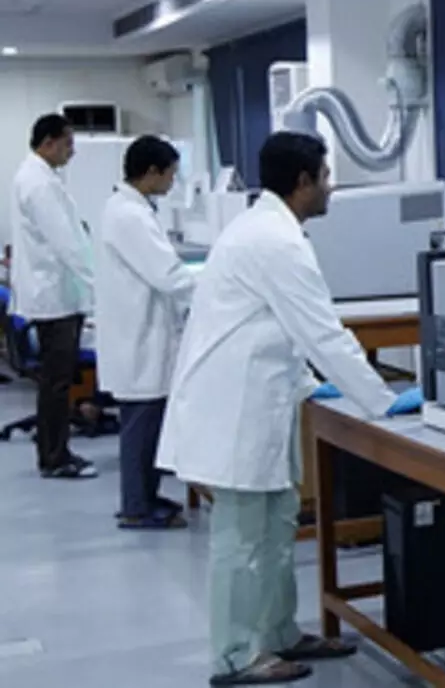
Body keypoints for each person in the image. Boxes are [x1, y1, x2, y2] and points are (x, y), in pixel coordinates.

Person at [156, 131, 397, 686]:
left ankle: (279, 632)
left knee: (276, 525)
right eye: (326, 176)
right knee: (242, 539)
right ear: (304, 181)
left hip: (264, 402)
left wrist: (312, 385)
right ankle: (235, 657)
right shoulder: (275, 241)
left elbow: (274, 328)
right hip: (235, 411)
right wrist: (384, 404)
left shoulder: (266, 230)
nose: (331, 187)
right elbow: (323, 333)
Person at [97, 135, 196, 529]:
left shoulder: (128, 208)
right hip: (138, 338)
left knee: (147, 426)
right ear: (152, 172)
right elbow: (168, 275)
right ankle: (136, 508)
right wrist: (217, 289)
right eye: (171, 174)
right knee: (141, 427)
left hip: (138, 333)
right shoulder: (130, 216)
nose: (173, 181)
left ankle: (145, 497)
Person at [9, 113, 96, 479]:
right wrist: (98, 283)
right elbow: (67, 243)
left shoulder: (37, 176)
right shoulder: (39, 183)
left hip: (53, 293)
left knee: (54, 382)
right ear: (48, 142)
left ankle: (54, 450)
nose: (71, 152)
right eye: (68, 144)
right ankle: (55, 457)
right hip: (54, 297)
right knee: (57, 383)